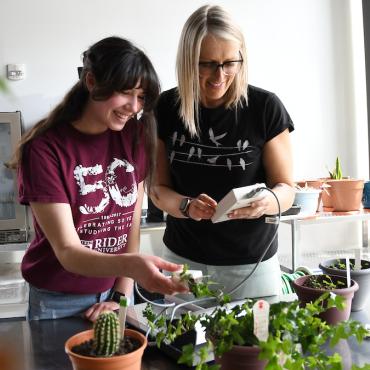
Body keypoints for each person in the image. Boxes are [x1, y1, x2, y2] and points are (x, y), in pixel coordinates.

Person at [9, 36, 187, 321]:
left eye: (141, 97)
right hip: (57, 300)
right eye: (126, 92)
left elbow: (130, 223)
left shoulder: (136, 137)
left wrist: (121, 291)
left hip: (114, 294)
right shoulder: (44, 150)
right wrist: (132, 266)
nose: (134, 106)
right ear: (91, 81)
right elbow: (67, 252)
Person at [151, 5, 295, 300]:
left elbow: (287, 189)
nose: (220, 75)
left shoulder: (265, 108)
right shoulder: (165, 108)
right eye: (207, 63)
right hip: (184, 262)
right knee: (184, 345)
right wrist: (186, 205)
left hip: (253, 264)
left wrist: (268, 201)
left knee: (258, 346)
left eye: (230, 62)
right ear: (188, 60)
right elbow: (156, 189)